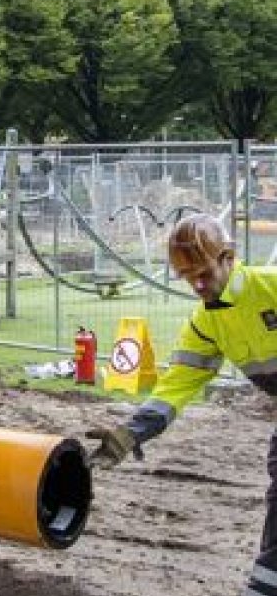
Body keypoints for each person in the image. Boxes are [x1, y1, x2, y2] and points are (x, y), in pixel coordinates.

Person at [86, 213, 277, 594]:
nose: (197, 284)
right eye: (187, 277)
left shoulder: (271, 287)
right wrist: (132, 433)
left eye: (203, 272)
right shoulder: (206, 323)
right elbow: (176, 385)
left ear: (228, 257)